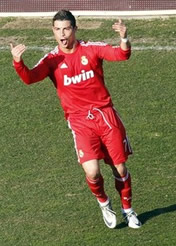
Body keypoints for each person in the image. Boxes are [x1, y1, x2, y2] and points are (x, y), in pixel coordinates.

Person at [10, 10, 141, 229]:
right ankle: (104, 203)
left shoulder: (90, 49)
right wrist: (18, 62)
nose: (62, 34)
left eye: (66, 29)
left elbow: (121, 55)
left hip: (105, 116)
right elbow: (30, 78)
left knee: (119, 169)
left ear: (75, 30)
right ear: (53, 31)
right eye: (58, 29)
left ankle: (127, 210)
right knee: (92, 172)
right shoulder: (52, 59)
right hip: (80, 122)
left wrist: (124, 38)